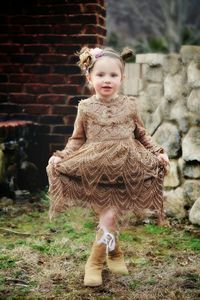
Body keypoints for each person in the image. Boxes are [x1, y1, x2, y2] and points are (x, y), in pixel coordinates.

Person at [46, 46, 170, 287]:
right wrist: (62, 156)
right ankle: (111, 254)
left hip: (126, 165)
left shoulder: (130, 105)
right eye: (101, 75)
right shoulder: (86, 108)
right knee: (108, 215)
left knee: (110, 214)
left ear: (122, 78)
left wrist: (158, 152)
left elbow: (142, 135)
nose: (107, 80)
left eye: (113, 75)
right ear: (89, 78)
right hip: (96, 167)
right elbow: (77, 138)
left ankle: (96, 260)